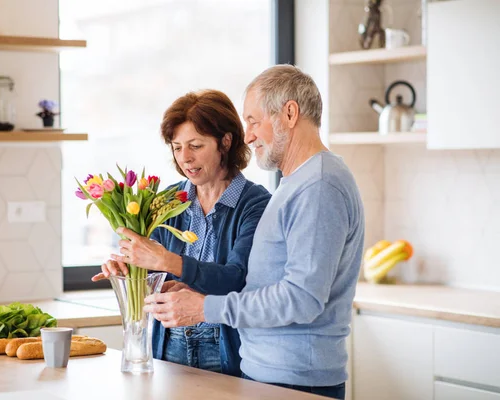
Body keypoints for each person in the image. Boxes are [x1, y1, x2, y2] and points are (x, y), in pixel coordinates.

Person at [143, 65, 365, 400]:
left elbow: (302, 299)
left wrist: (206, 309)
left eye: (253, 120)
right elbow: (267, 284)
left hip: (296, 380)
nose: (247, 135)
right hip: (271, 375)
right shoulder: (298, 183)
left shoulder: (319, 186)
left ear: (289, 113)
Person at [92, 89, 271, 377]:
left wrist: (167, 261)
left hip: (225, 347)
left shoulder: (256, 205)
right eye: (177, 147)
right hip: (169, 344)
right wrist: (127, 268)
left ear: (225, 142)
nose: (185, 158)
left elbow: (237, 278)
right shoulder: (168, 201)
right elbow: (152, 274)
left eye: (196, 145)